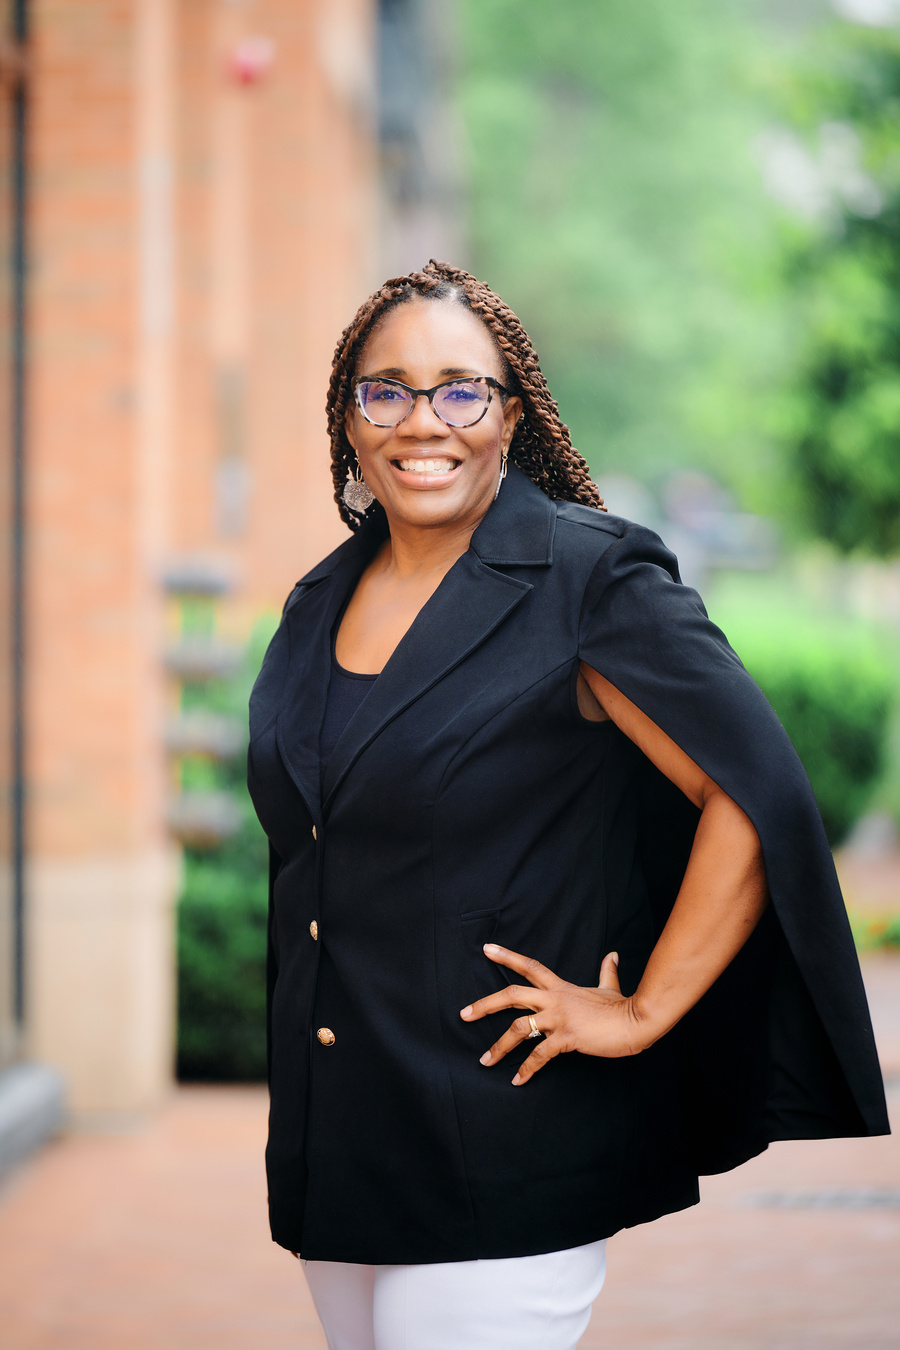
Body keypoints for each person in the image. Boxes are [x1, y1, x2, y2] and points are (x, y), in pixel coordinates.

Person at [247, 260, 889, 1350]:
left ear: (511, 416)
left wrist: (641, 1011)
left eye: (460, 390)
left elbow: (750, 790)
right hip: (340, 1142)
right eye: (386, 389)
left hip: (505, 1139)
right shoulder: (321, 599)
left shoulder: (590, 580)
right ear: (348, 419)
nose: (422, 421)